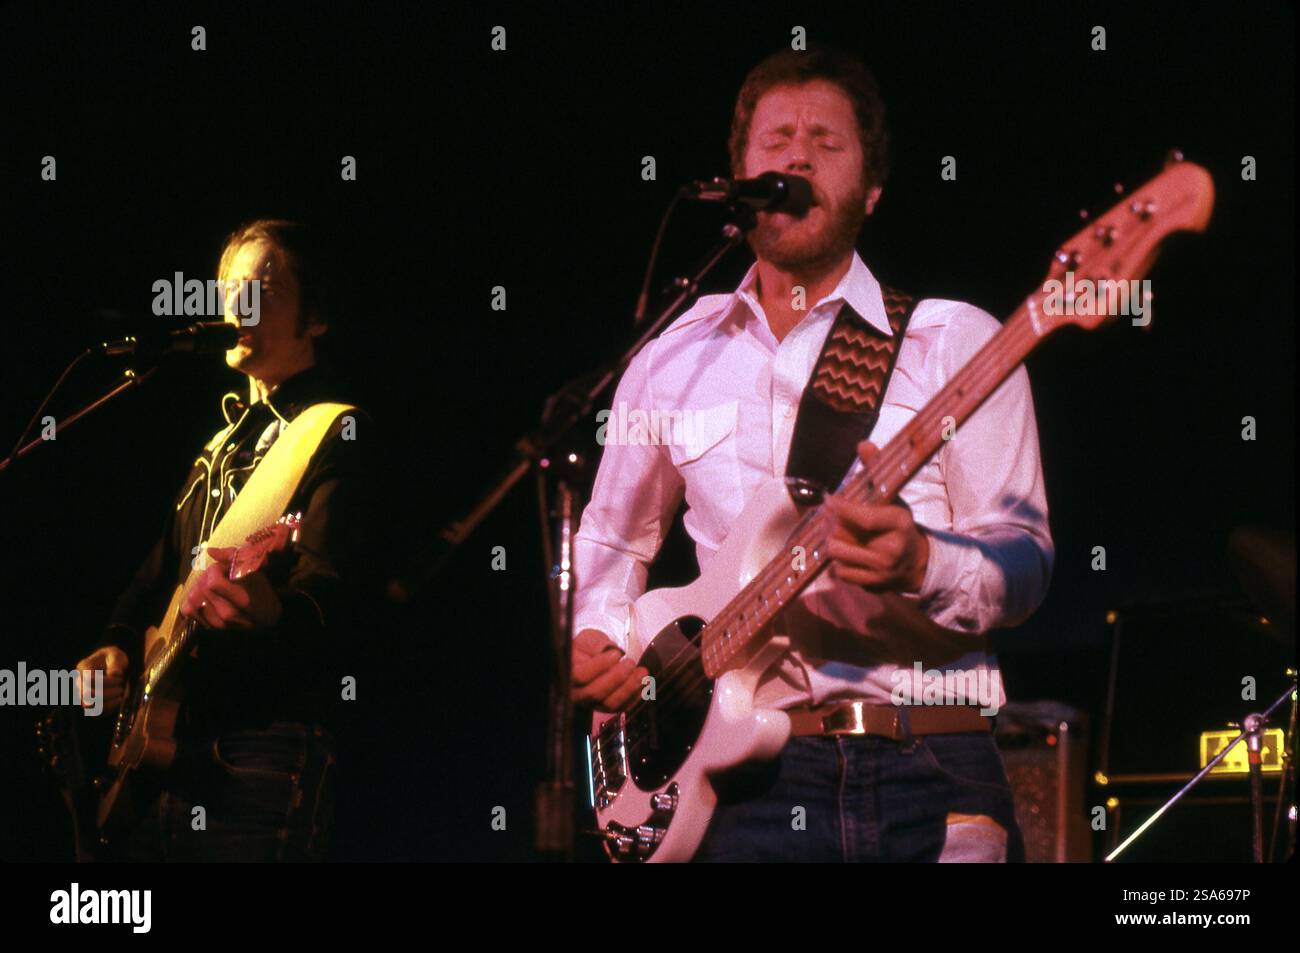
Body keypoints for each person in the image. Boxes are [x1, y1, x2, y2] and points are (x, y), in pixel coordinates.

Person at [570, 47, 1054, 862]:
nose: (797, 155)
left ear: (870, 188)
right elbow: (613, 541)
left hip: (926, 761)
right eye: (777, 140)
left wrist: (923, 561)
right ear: (738, 180)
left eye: (827, 142)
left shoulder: (954, 343)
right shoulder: (669, 356)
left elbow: (1027, 561)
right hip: (738, 782)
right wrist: (598, 632)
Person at [75, 219, 377, 861]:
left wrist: (275, 611)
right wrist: (116, 645)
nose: (236, 308)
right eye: (226, 291)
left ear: (315, 315)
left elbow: (339, 600)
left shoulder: (337, 433)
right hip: (167, 750)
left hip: (259, 749)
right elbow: (153, 579)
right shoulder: (215, 449)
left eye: (260, 291)